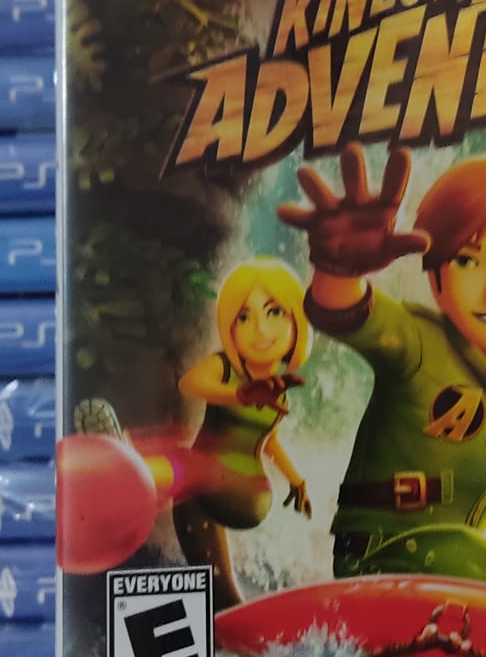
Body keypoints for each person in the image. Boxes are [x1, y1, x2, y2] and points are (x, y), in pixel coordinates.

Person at [277, 144, 486, 609]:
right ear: (435, 280)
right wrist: (339, 268)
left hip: (460, 564)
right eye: (466, 261)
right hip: (377, 556)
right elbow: (348, 313)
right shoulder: (418, 341)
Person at [75, 259, 316, 612]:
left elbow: (269, 441)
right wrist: (240, 394)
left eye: (275, 312)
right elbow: (191, 384)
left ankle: (130, 468)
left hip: (247, 491)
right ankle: (231, 621)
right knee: (215, 583)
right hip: (201, 491)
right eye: (244, 318)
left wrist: (296, 481)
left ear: (296, 322)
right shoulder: (223, 367)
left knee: (187, 462)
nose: (260, 329)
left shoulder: (278, 394)